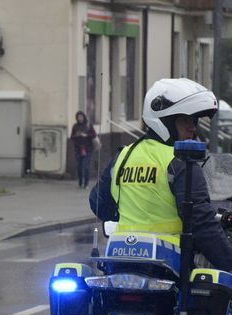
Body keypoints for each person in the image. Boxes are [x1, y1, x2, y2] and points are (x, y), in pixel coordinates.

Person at [90, 78, 232, 271]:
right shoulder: (180, 161)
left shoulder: (123, 156)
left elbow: (98, 202)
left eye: (193, 121)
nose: (192, 127)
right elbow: (202, 224)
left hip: (119, 259)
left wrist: (130, 216)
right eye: (184, 121)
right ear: (164, 121)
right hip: (166, 265)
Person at [70, 110, 97, 189]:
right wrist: (77, 135)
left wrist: (86, 135)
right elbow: (72, 137)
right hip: (78, 148)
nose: (80, 118)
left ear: (84, 117)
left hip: (88, 148)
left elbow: (94, 135)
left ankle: (86, 183)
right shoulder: (75, 126)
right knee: (79, 166)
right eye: (78, 117)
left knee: (86, 166)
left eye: (81, 117)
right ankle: (80, 182)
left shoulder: (89, 125)